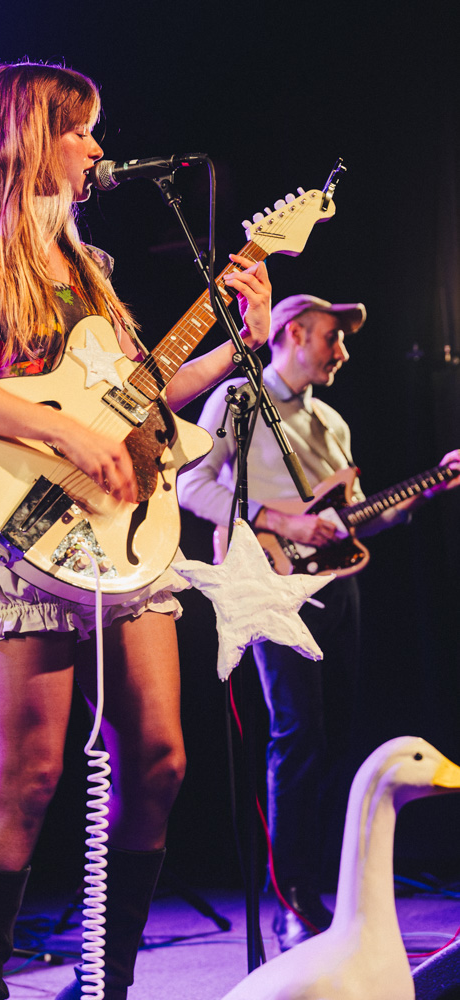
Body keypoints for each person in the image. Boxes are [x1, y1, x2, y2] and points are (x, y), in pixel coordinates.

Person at [0, 62, 272, 1000]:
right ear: (29, 134)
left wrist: (237, 340)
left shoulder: (91, 273)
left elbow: (143, 396)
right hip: (17, 527)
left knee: (160, 757)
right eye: (81, 130)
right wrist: (59, 429)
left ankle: (105, 980)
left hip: (118, 536)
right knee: (30, 770)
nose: (98, 149)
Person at [177, 293, 460, 952]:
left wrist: (422, 493)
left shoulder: (329, 421)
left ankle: (319, 887)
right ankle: (291, 897)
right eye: (332, 338)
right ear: (293, 333)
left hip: (335, 588)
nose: (342, 352)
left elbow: (352, 517)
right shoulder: (236, 402)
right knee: (294, 735)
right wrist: (279, 521)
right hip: (270, 585)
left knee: (328, 738)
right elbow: (191, 486)